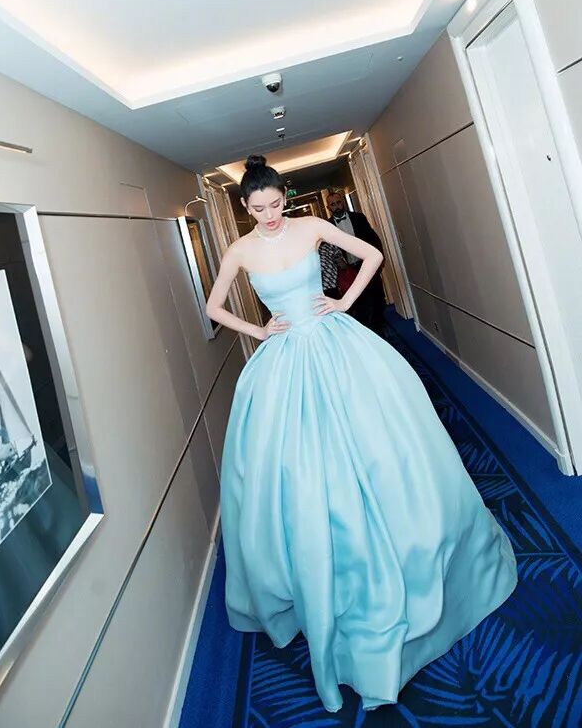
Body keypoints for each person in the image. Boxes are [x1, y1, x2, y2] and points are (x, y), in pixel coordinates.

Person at [206, 155, 517, 714]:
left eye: (275, 204)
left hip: (336, 341)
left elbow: (371, 255)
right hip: (284, 359)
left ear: (284, 197)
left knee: (384, 442)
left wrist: (343, 303)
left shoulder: (311, 226)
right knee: (295, 467)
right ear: (245, 208)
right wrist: (258, 329)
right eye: (257, 208)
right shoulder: (240, 251)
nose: (269, 215)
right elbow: (213, 305)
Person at [326, 191, 387, 334]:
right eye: (333, 204)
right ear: (328, 208)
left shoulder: (358, 218)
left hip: (366, 265)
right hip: (347, 270)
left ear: (343, 202)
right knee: (358, 303)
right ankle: (365, 333)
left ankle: (380, 331)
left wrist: (379, 261)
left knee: (377, 298)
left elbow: (373, 239)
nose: (337, 206)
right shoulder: (327, 226)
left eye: (338, 202)